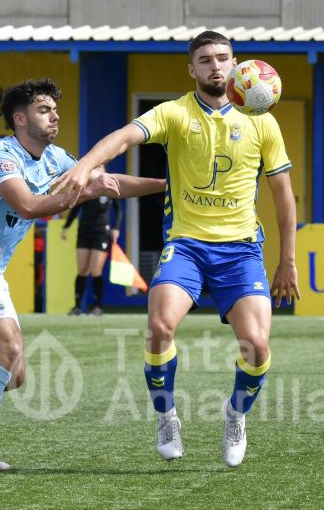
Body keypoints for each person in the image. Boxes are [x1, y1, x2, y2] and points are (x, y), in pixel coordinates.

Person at [52, 31, 300, 467]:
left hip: (241, 251)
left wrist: (288, 260)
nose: (215, 66)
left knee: (257, 347)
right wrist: (85, 166)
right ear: (192, 69)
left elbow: (284, 196)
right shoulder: (175, 112)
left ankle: (235, 415)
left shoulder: (262, 119)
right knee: (160, 327)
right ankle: (166, 416)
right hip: (185, 245)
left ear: (236, 63)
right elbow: (124, 137)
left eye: (222, 58)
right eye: (205, 60)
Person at [0, 78, 165, 471]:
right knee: (6, 352)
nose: (55, 115)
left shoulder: (56, 158)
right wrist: (89, 192)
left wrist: (167, 186)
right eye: (45, 110)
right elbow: (27, 206)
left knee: (13, 374)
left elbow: (108, 182)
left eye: (55, 109)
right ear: (20, 118)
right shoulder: (1, 156)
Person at [61, 194, 121, 316]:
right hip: (84, 232)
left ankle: (97, 306)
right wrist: (66, 226)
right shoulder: (86, 189)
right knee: (82, 269)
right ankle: (77, 307)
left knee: (95, 269)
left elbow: (118, 208)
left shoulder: (109, 188)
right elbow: (75, 209)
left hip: (102, 233)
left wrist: (116, 228)